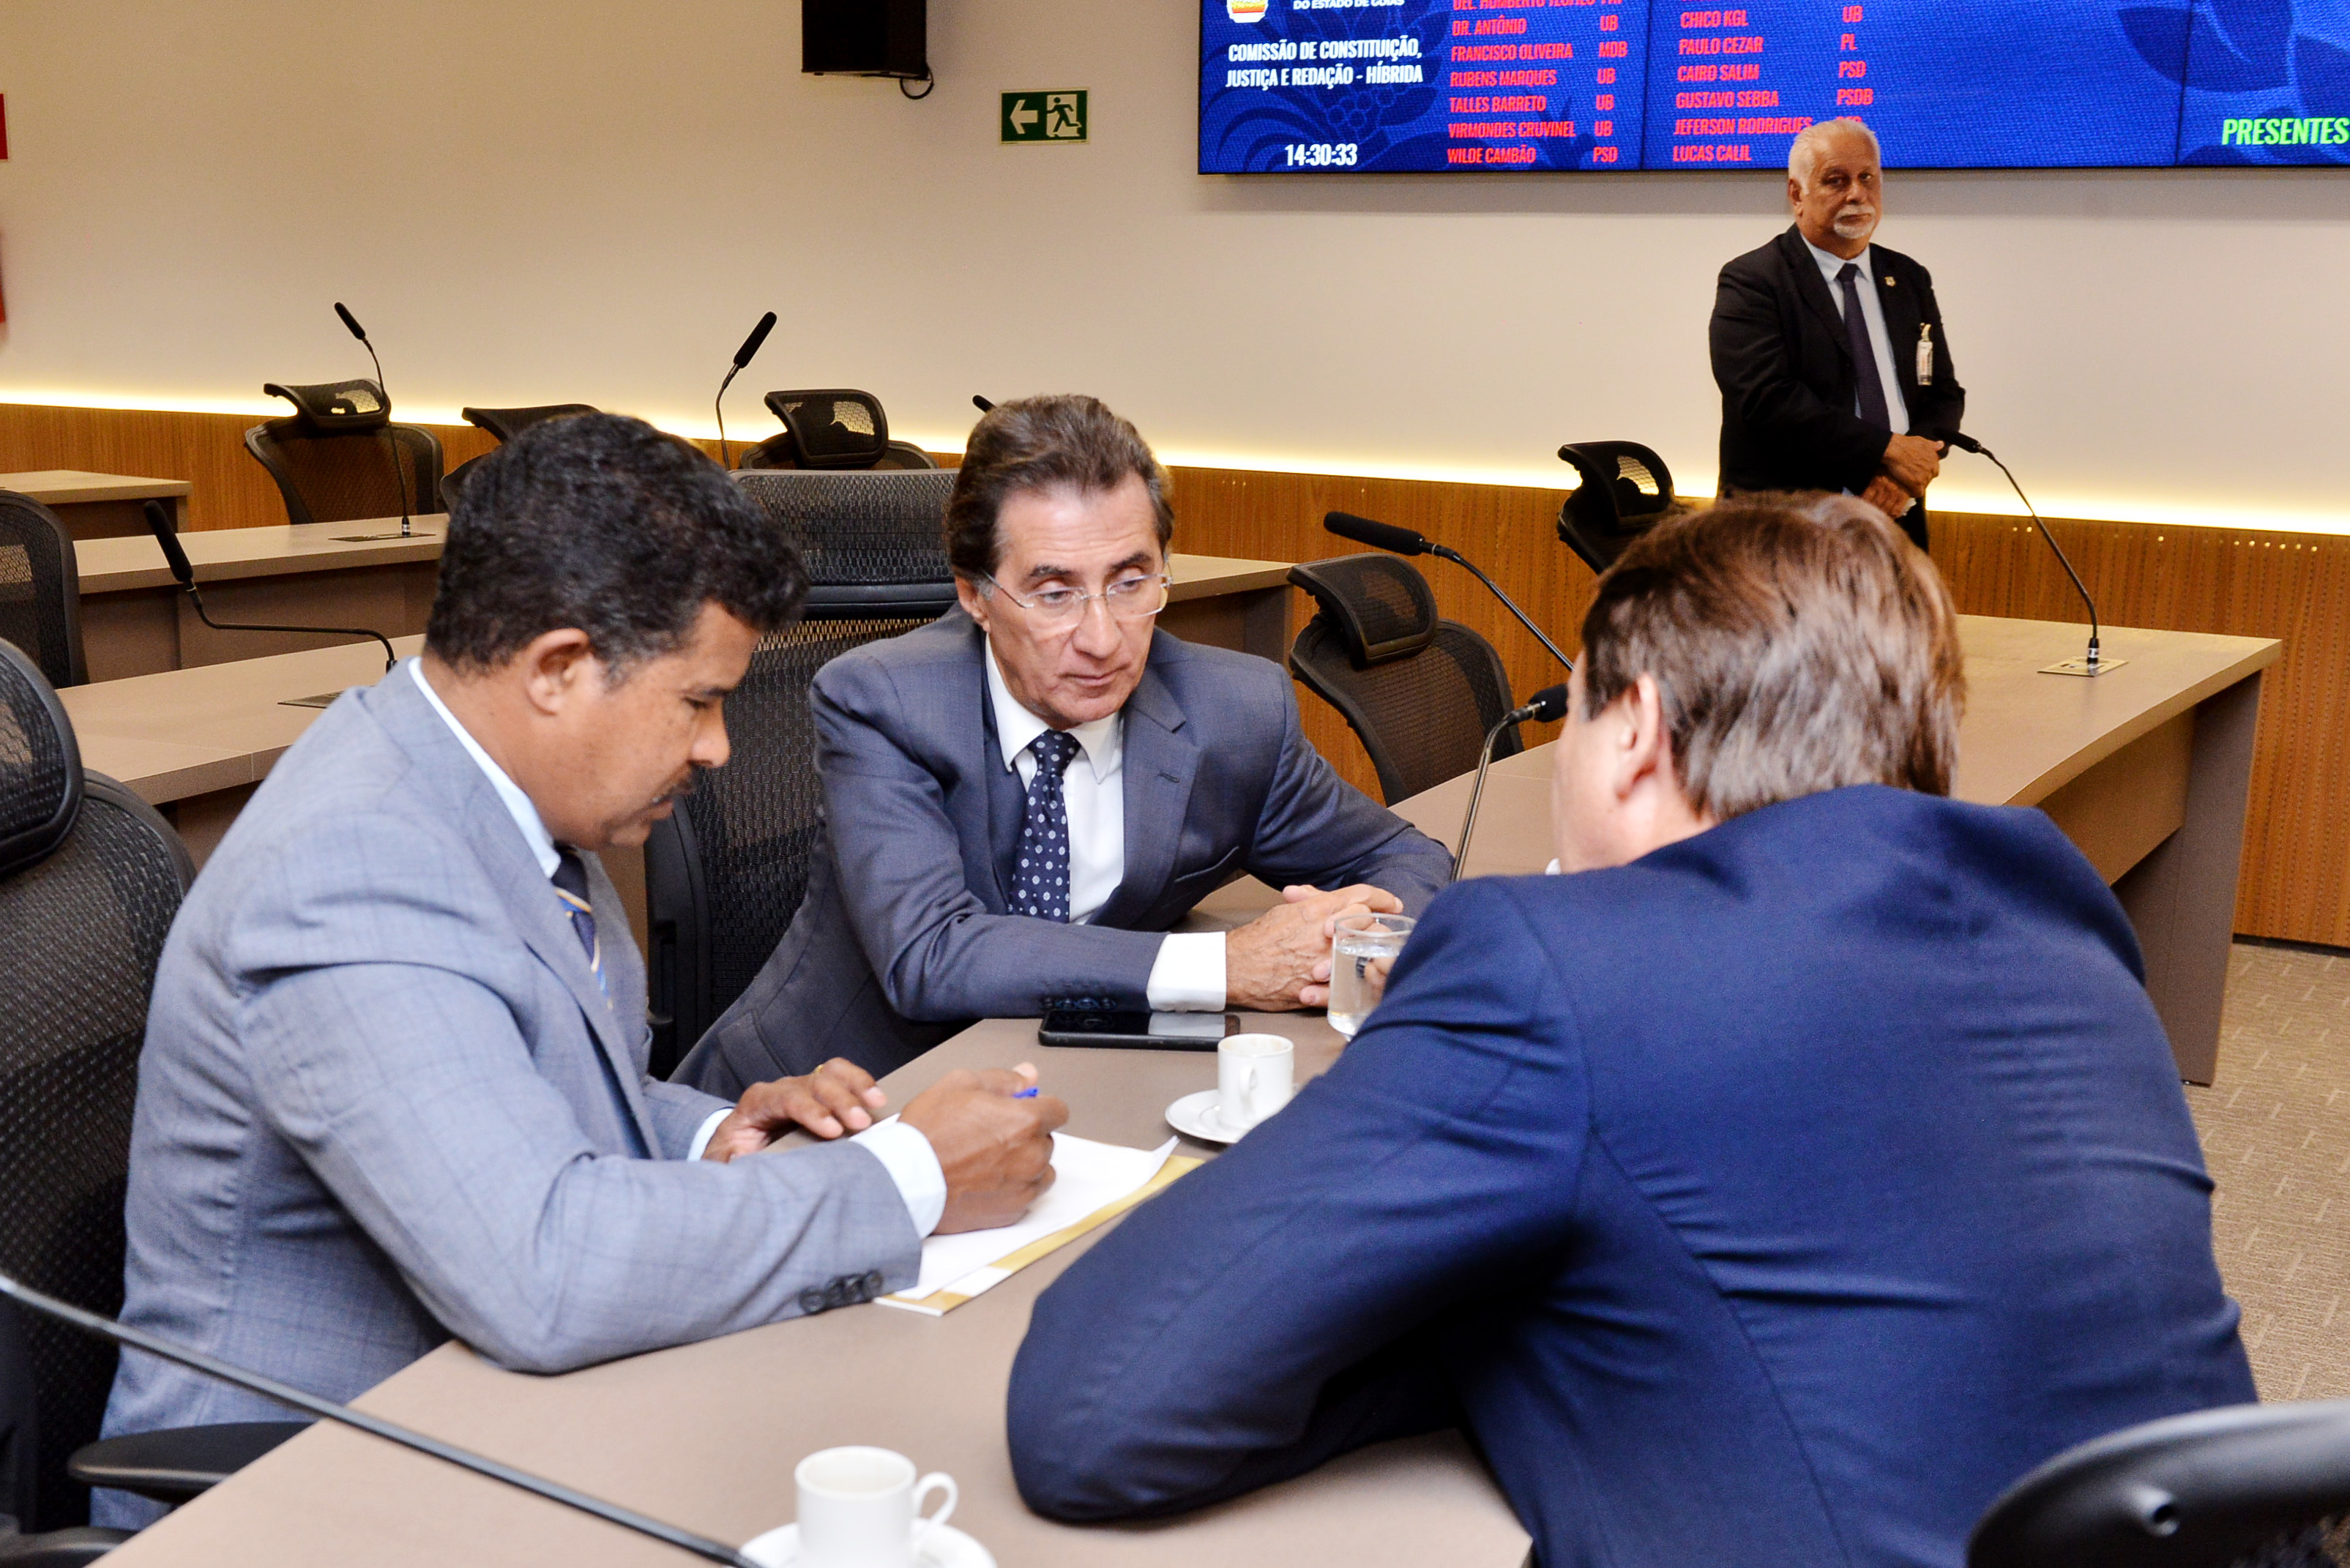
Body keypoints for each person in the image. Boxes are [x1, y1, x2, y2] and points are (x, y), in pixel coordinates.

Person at [1005, 494, 2255, 1568]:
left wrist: (1487, 1309)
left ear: (1638, 734)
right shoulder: (2059, 925)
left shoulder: (1562, 965)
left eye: (1577, 718)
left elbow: (1093, 1410)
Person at [97, 415, 1067, 1526]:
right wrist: (911, 1177)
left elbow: (517, 1078)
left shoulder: (506, 787)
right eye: (697, 701)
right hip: (302, 1492)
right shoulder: (352, 869)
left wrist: (715, 1132)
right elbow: (541, 1271)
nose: (717, 747)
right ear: (558, 669)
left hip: (496, 1414)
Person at [676, 395, 1452, 1094]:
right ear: (976, 595)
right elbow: (931, 955)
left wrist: (1358, 944)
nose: (1103, 638)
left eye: (1131, 582)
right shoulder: (882, 700)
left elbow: (1403, 859)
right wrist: (1228, 965)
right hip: (829, 1101)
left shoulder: (1233, 710)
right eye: (1055, 594)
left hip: (1073, 1087)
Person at [1711, 118, 1966, 550]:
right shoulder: (1753, 279)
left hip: (1894, 517)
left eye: (1867, 178)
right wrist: (1885, 451)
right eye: (1836, 180)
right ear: (1797, 194)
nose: (1856, 194)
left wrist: (1903, 474)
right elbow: (1767, 399)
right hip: (1783, 528)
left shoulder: (1907, 277)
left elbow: (1942, 392)